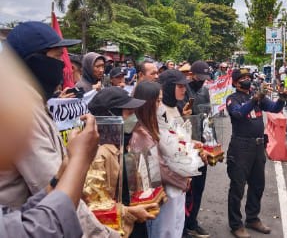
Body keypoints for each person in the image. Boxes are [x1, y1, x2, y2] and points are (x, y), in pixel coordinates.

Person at [4, 21, 119, 237]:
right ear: (35, 61)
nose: (64, 66)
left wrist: (66, 168)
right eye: (57, 57)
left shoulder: (34, 103)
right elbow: (59, 202)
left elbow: (53, 186)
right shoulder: (22, 113)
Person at [88, 87, 160, 237]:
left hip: (133, 224)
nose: (134, 118)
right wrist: (129, 212)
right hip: (116, 229)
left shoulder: (123, 144)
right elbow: (96, 206)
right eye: (129, 112)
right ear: (110, 117)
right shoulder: (99, 155)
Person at [226, 68, 287, 238]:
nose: (246, 80)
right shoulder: (233, 99)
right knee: (237, 187)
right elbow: (238, 113)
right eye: (242, 78)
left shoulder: (257, 96)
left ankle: (252, 218)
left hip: (258, 147)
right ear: (236, 82)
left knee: (258, 185)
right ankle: (236, 224)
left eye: (248, 77)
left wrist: (282, 98)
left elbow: (274, 108)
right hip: (241, 147)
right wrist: (255, 99)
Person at [131, 79, 190, 238]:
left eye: (161, 100)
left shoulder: (155, 122)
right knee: (164, 232)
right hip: (162, 193)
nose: (161, 105)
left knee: (175, 228)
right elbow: (158, 169)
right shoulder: (140, 133)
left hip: (173, 189)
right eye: (157, 101)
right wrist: (182, 179)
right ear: (147, 103)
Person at [181, 60, 212, 238]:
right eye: (199, 78)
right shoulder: (183, 90)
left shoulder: (205, 91)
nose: (202, 81)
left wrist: (210, 142)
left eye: (205, 79)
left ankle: (193, 222)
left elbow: (207, 117)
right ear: (191, 74)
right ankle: (183, 226)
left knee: (199, 187)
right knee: (186, 188)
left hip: (202, 145)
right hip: (185, 145)